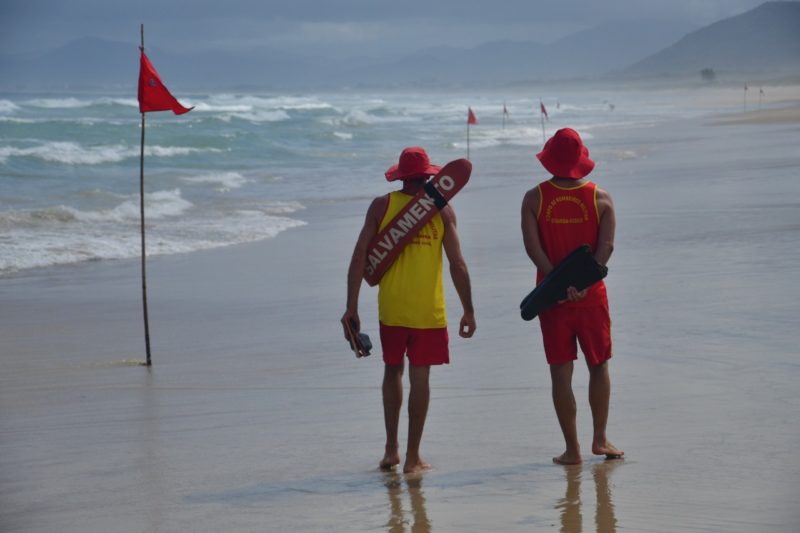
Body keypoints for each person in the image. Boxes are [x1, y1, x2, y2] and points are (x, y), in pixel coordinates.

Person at [342, 146, 476, 474]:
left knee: (392, 372)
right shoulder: (443, 210)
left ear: (401, 177)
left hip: (392, 309)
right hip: (429, 311)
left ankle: (392, 450)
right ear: (429, 176)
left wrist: (351, 306)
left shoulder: (382, 205)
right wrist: (468, 310)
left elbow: (360, 256)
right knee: (421, 377)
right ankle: (413, 457)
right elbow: (457, 264)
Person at [520, 128, 623, 465]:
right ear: (580, 159)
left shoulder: (534, 198)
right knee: (598, 365)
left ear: (550, 158)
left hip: (552, 300)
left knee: (560, 371)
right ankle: (600, 439)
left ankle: (573, 449)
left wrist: (557, 283)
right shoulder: (600, 198)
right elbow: (606, 248)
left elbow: (532, 248)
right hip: (591, 298)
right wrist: (584, 284)